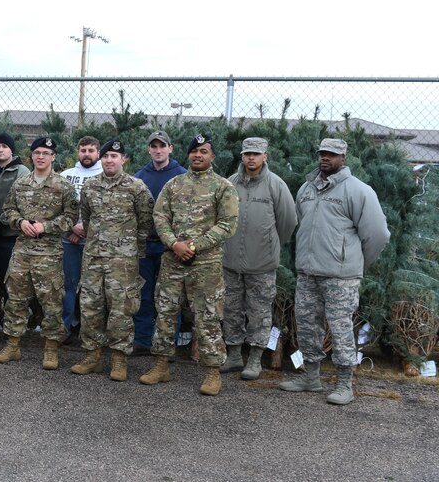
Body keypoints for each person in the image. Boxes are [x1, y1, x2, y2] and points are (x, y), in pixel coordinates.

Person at [280, 138, 390, 405]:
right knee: (307, 325)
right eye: (322, 153)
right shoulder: (307, 188)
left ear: (344, 157)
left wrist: (356, 266)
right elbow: (299, 223)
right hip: (307, 273)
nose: (325, 158)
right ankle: (311, 377)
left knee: (340, 328)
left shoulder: (359, 191)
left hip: (341, 277)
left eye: (331, 154)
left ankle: (344, 383)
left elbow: (378, 235)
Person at [139, 134, 238, 396]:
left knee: (207, 317)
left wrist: (194, 246)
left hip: (205, 264)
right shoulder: (173, 185)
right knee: (166, 312)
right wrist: (174, 244)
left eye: (203, 151)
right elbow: (160, 216)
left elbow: (228, 224)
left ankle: (213, 372)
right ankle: (161, 365)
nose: (198, 155)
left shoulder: (223, 187)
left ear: (212, 156)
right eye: (194, 151)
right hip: (172, 261)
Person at [69, 140, 153, 381]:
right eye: (105, 156)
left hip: (123, 261)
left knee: (121, 309)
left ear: (123, 159)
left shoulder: (136, 187)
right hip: (93, 258)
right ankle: (92, 357)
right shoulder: (90, 187)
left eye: (114, 156)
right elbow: (86, 219)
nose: (109, 160)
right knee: (90, 306)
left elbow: (145, 222)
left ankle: (119, 359)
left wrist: (130, 249)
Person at [0, 137, 78, 370]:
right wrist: (19, 222)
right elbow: (8, 210)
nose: (40, 156)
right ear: (31, 156)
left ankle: (51, 349)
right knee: (15, 299)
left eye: (46, 152)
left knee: (51, 302)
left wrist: (46, 226)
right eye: (37, 152)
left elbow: (72, 217)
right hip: (22, 250)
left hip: (49, 253)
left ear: (53, 157)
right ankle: (12, 345)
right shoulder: (21, 184)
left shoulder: (63, 186)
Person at [221, 137, 297, 380]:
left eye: (256, 154)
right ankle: (233, 355)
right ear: (241, 156)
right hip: (231, 262)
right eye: (246, 154)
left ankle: (254, 359)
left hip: (262, 264)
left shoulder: (276, 185)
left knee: (259, 313)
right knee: (231, 310)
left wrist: (269, 245)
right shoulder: (231, 183)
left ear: (265, 156)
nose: (250, 158)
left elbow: (287, 222)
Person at [133, 130, 187, 354]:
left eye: (162, 146)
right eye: (154, 146)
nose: (158, 150)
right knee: (143, 294)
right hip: (146, 245)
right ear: (149, 149)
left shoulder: (182, 176)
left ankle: (167, 344)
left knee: (169, 297)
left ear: (170, 149)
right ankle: (143, 340)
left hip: (170, 247)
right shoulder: (139, 177)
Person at [59, 136, 102, 337]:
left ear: (98, 153)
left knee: (94, 288)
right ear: (78, 152)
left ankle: (91, 333)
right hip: (69, 240)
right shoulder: (66, 175)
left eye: (91, 150)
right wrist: (71, 230)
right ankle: (65, 329)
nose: (87, 154)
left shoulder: (105, 173)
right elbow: (56, 207)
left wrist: (85, 228)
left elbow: (108, 211)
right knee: (68, 284)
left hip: (95, 242)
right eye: (83, 150)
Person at [0, 133, 30, 328]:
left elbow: (21, 202)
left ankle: (13, 326)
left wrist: (2, 222)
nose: (0, 149)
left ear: (12, 150)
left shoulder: (22, 172)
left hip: (10, 237)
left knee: (10, 284)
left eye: (5, 146)